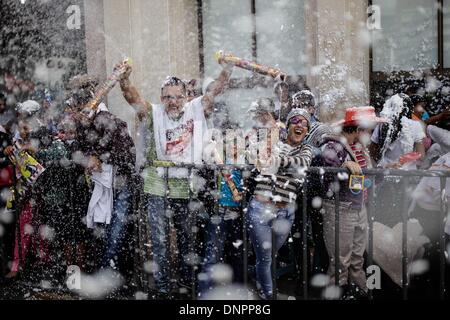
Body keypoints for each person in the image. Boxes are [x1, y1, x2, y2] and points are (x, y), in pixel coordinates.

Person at [117, 61, 233, 296]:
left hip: (185, 183)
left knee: (186, 236)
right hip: (157, 182)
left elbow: (215, 90)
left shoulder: (195, 108)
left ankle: (186, 283)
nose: (173, 101)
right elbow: (133, 99)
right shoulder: (154, 112)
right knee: (159, 238)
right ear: (161, 98)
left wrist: (227, 69)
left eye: (178, 96)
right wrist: (125, 80)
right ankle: (161, 287)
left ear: (185, 96)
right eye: (168, 97)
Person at [66, 74, 136, 273]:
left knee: (115, 232)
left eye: (79, 111)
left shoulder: (106, 119)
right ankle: (108, 272)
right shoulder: (83, 123)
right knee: (103, 232)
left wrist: (100, 156)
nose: (77, 116)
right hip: (101, 184)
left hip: (121, 184)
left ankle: (109, 273)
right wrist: (88, 157)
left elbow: (127, 154)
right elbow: (75, 151)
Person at [246, 108, 314, 299]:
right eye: (295, 121)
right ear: (288, 125)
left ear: (307, 129)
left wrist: (275, 160)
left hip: (285, 213)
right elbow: (254, 156)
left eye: (304, 123)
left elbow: (302, 163)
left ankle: (257, 278)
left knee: (268, 257)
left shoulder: (305, 149)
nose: (299, 125)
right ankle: (268, 296)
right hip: (260, 210)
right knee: (265, 257)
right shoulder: (274, 143)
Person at [319, 106, 386, 299]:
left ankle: (360, 292)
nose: (371, 133)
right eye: (369, 129)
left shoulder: (359, 148)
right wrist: (343, 168)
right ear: (357, 129)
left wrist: (381, 172)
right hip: (341, 209)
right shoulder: (332, 147)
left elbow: (364, 180)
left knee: (357, 259)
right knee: (340, 261)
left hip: (359, 207)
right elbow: (329, 180)